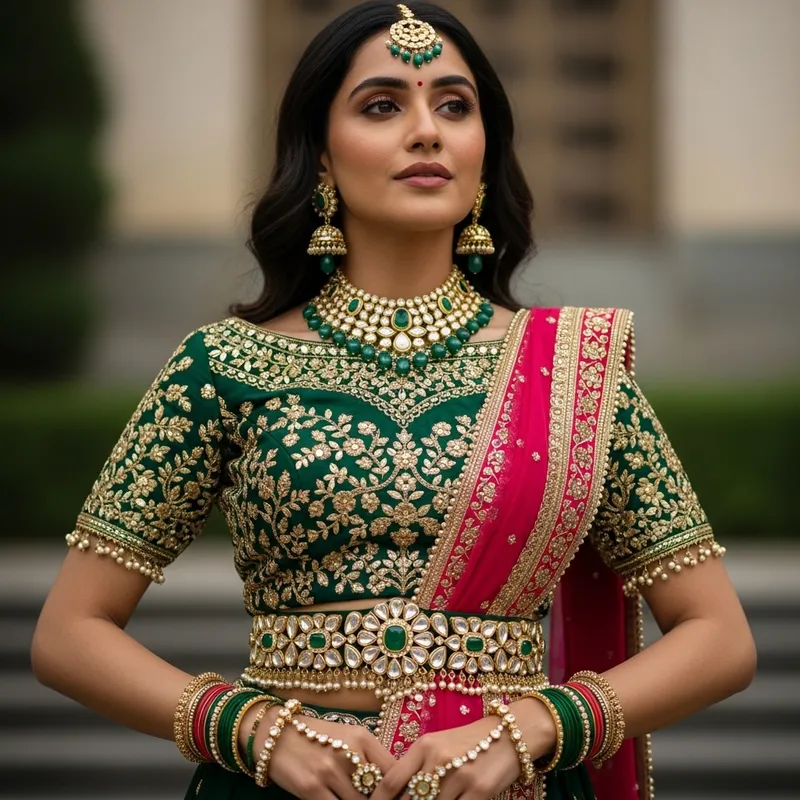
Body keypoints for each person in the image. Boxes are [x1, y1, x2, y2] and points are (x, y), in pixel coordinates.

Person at [32, 3, 756, 799]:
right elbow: (70, 632)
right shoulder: (226, 366)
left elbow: (720, 638)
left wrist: (532, 728)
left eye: (454, 104)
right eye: (383, 105)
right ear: (319, 156)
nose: (427, 130)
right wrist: (255, 731)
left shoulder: (574, 375)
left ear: (485, 151)